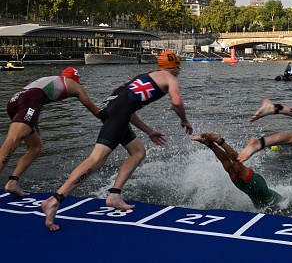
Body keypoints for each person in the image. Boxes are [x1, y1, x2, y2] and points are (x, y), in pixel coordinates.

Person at [41, 51, 193, 231]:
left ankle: (114, 195)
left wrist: (149, 131)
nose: (178, 72)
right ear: (174, 67)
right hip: (118, 114)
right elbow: (176, 102)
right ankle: (55, 200)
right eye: (179, 69)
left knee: (138, 152)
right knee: (95, 160)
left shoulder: (145, 77)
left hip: (110, 109)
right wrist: (184, 119)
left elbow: (127, 108)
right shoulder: (170, 78)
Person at [0, 67, 100, 197]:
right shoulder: (74, 85)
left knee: (36, 147)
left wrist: (36, 130)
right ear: (76, 79)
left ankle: (13, 182)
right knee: (13, 140)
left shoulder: (48, 80)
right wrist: (113, 116)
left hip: (16, 100)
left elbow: (36, 107)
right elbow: (95, 111)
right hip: (29, 101)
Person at [192, 133, 283, 208]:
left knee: (229, 168)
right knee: (238, 165)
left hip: (246, 189)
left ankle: (209, 144)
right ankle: (220, 141)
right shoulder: (282, 203)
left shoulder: (280, 202)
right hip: (258, 185)